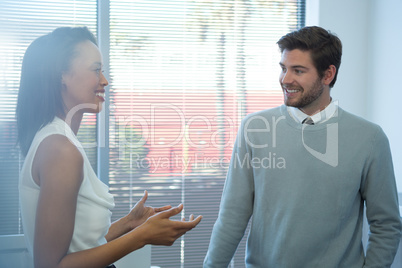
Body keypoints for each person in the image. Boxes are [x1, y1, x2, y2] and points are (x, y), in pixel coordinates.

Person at [204, 26, 401, 267]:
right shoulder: (254, 129)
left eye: (298, 70)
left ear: (328, 75)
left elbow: (387, 225)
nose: (286, 79)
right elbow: (232, 216)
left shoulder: (370, 138)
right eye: (283, 68)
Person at [16, 26, 202, 268]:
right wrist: (142, 236)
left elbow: (78, 244)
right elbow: (51, 266)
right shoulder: (60, 149)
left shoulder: (57, 139)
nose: (104, 80)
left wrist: (128, 225)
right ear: (61, 74)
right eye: (96, 70)